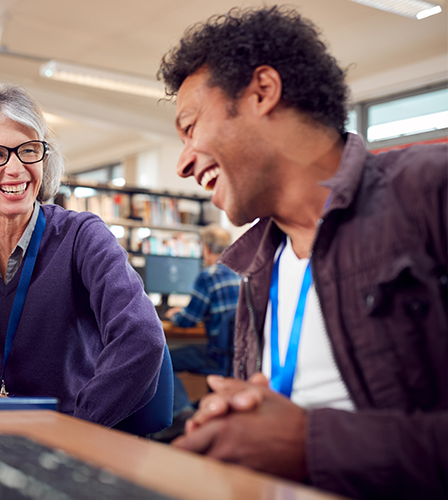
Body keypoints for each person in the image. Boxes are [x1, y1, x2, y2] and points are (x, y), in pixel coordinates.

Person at [158, 6, 446, 499]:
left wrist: (312, 444)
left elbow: (303, 438)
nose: (183, 163)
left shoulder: (429, 191)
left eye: (190, 127)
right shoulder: (256, 268)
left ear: (262, 92)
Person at [0, 83, 167, 428]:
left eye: (28, 150)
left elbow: (141, 337)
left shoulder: (83, 236)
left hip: (63, 436)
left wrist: (79, 430)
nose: (15, 169)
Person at [153, 224, 239, 441]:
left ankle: (181, 412)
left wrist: (174, 315)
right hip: (239, 356)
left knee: (163, 358)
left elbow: (188, 321)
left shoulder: (208, 276)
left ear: (206, 248)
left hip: (216, 355)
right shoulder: (242, 272)